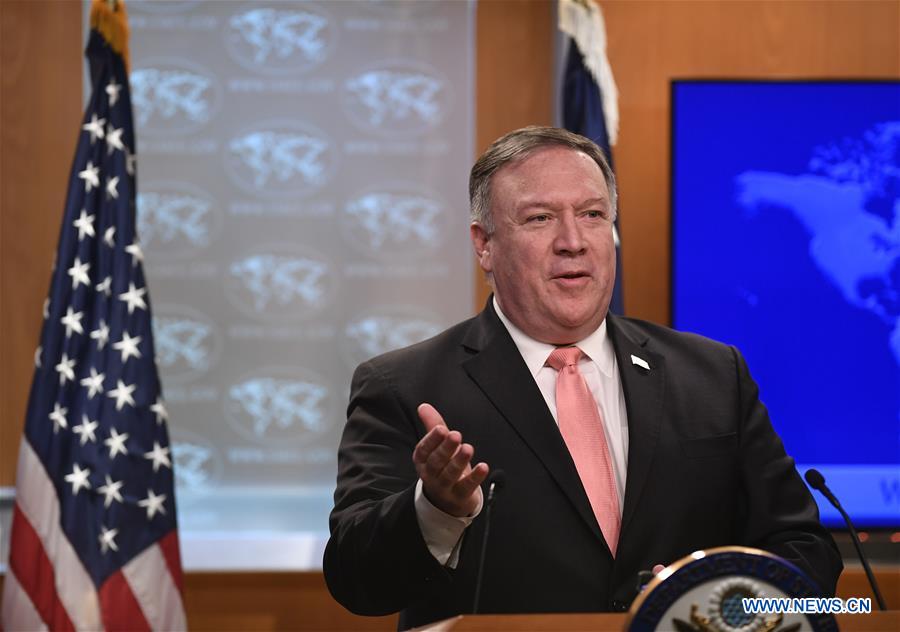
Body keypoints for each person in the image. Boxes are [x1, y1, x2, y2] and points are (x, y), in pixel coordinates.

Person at [323, 126, 842, 629]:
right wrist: (436, 509)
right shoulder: (404, 386)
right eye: (540, 218)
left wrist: (718, 607)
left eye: (593, 214)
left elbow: (802, 547)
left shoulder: (712, 374)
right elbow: (356, 581)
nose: (572, 241)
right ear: (484, 245)